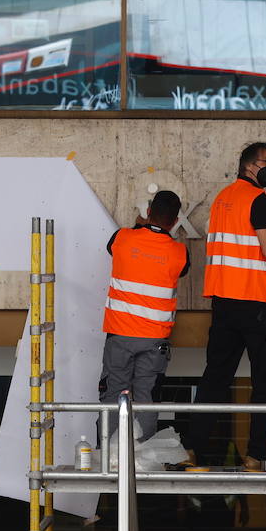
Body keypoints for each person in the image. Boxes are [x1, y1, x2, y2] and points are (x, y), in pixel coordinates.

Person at [183, 141, 266, 468]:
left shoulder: (222, 200)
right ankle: (256, 454)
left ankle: (191, 447)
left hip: (224, 303)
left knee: (215, 377)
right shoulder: (260, 200)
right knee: (264, 381)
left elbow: (239, 245)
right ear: (248, 165)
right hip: (256, 303)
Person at [98, 190, 188, 444]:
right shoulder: (179, 252)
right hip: (154, 340)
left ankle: (105, 457)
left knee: (113, 396)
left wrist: (142, 224)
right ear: (175, 220)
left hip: (120, 336)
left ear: (148, 212)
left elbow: (113, 247)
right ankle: (142, 459)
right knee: (147, 399)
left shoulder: (122, 238)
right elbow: (182, 270)